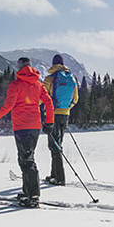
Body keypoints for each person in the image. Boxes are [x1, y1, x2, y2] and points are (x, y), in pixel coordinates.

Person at [0, 57, 54, 208]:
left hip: (22, 127)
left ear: (19, 66)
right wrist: (49, 122)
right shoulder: (38, 84)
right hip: (35, 127)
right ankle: (27, 191)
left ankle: (33, 196)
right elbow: (49, 103)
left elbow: (9, 105)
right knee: (25, 159)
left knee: (27, 161)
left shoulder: (16, 84)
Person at [41, 53, 79, 186]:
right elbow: (75, 99)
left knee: (54, 146)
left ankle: (60, 178)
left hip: (53, 115)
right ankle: (53, 175)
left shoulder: (49, 79)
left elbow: (42, 98)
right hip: (65, 115)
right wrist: (66, 108)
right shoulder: (72, 79)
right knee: (57, 144)